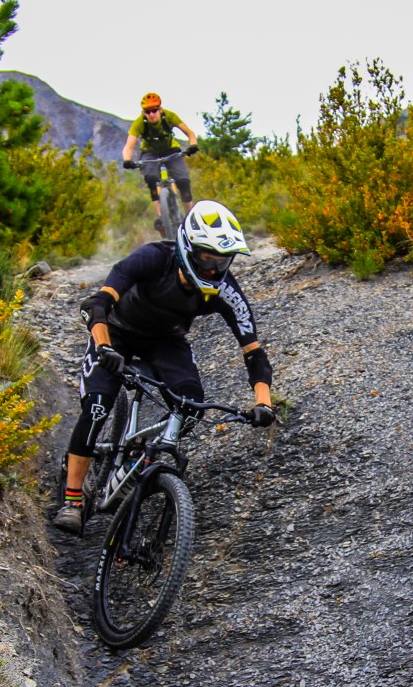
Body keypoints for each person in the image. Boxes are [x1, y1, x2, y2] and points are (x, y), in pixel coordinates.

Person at [52, 199, 276, 534]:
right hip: (116, 333)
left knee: (190, 404)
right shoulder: (153, 258)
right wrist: (104, 347)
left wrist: (264, 403)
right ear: (187, 247)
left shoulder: (225, 290)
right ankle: (73, 499)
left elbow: (253, 352)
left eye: (222, 261)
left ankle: (137, 456)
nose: (214, 269)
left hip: (166, 341)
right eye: (206, 258)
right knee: (98, 406)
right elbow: (95, 305)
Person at [123, 92, 198, 227]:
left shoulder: (170, 116)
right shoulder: (139, 123)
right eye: (148, 111)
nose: (151, 114)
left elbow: (189, 133)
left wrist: (192, 145)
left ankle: (190, 218)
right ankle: (161, 217)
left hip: (171, 150)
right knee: (151, 178)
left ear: (160, 109)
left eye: (154, 110)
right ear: (144, 112)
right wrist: (127, 160)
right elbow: (128, 146)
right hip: (150, 152)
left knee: (183, 181)